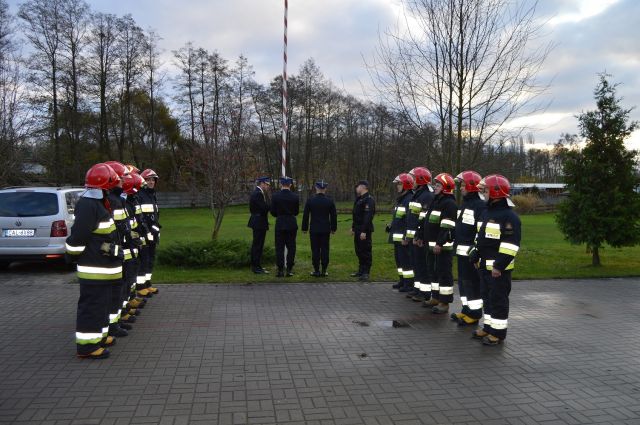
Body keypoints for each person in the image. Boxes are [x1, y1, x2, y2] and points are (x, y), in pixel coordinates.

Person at [65, 163, 122, 359]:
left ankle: (99, 338)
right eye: (112, 185)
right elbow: (78, 238)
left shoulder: (99, 203)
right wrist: (71, 256)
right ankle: (87, 347)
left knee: (102, 306)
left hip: (103, 268)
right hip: (94, 269)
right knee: (92, 308)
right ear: (105, 185)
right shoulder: (89, 205)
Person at [469, 174, 521, 346]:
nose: (483, 193)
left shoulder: (509, 217)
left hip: (499, 270)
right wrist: (475, 253)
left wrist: (499, 266)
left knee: (498, 300)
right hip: (484, 267)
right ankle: (488, 327)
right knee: (487, 298)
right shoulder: (486, 213)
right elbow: (480, 237)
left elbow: (510, 246)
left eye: (485, 190)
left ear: (496, 192)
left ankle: (498, 334)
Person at [451, 171, 486, 326]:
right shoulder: (465, 203)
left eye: (464, 185)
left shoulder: (479, 205)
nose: (461, 188)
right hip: (461, 252)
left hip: (471, 254)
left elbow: (480, 231)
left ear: (472, 186)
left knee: (472, 284)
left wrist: (476, 251)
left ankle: (475, 313)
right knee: (464, 283)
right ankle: (466, 310)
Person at [419, 173, 457, 314]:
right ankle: (435, 297)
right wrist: (420, 236)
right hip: (431, 246)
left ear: (446, 187)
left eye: (438, 185)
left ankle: (444, 302)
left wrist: (439, 244)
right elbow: (427, 222)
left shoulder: (449, 204)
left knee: (444, 274)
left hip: (442, 247)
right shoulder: (436, 201)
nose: (435, 187)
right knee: (433, 272)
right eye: (435, 184)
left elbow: (446, 227)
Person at [103, 161, 132, 338]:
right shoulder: (111, 202)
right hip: (112, 255)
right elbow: (107, 234)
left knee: (119, 289)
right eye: (120, 178)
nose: (123, 181)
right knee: (114, 292)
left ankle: (115, 323)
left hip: (119, 251)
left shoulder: (116, 200)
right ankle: (112, 326)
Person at [404, 167, 434, 301]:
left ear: (421, 180)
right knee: (416, 264)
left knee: (422, 266)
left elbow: (423, 219)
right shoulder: (417, 195)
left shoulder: (426, 196)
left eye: (414, 179)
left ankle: (425, 293)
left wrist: (419, 236)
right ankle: (417, 289)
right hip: (414, 237)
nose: (412, 181)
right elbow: (411, 218)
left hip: (420, 238)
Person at [301, 179, 338, 277]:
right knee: (325, 249)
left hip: (314, 229)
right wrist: (333, 228)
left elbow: (306, 215)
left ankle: (316, 270)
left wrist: (304, 228)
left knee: (315, 250)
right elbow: (333, 216)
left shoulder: (311, 200)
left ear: (316, 188)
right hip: (325, 229)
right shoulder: (329, 201)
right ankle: (324, 270)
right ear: (325, 189)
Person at [387, 173, 415, 292]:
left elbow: (410, 220)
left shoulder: (409, 199)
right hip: (397, 238)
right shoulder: (401, 199)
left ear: (406, 185)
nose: (397, 186)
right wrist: (391, 225)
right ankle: (402, 281)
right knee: (399, 261)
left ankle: (409, 284)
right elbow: (399, 217)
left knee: (406, 262)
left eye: (399, 184)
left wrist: (406, 237)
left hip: (403, 238)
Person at [270, 176, 299, 277]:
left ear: (281, 184)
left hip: (280, 223)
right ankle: (289, 269)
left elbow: (272, 212)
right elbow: (296, 212)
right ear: (290, 184)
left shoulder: (275, 196)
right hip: (291, 223)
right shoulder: (295, 197)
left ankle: (280, 270)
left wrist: (279, 215)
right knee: (291, 247)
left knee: (279, 247)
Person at [139, 169, 161, 295]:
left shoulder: (152, 195)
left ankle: (148, 284)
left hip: (153, 234)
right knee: (144, 260)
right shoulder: (140, 195)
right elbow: (140, 217)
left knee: (150, 260)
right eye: (148, 180)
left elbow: (154, 216)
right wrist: (147, 232)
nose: (151, 182)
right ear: (143, 181)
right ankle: (140, 287)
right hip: (144, 235)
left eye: (153, 180)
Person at [351, 180, 376, 281]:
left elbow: (368, 217)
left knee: (365, 251)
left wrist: (364, 231)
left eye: (357, 186)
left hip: (364, 230)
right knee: (359, 250)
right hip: (358, 229)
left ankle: (366, 272)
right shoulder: (359, 199)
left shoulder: (369, 200)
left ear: (363, 187)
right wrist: (353, 227)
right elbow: (356, 215)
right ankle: (361, 270)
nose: (356, 188)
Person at [248, 176, 271, 274]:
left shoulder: (259, 193)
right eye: (267, 184)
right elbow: (263, 208)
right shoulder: (258, 193)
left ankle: (257, 265)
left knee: (258, 245)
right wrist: (272, 205)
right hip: (258, 221)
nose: (268, 186)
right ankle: (256, 267)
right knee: (258, 245)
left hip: (258, 221)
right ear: (262, 183)